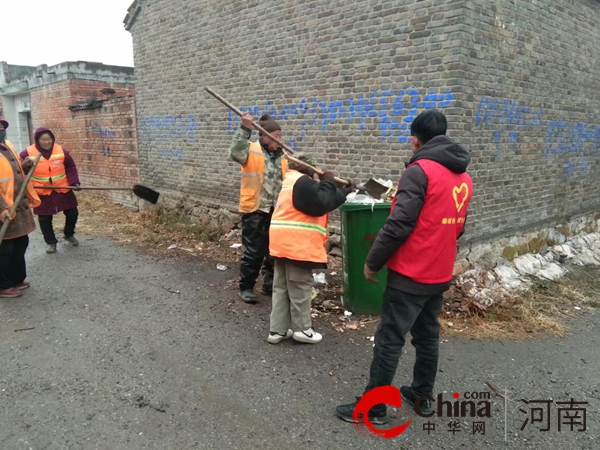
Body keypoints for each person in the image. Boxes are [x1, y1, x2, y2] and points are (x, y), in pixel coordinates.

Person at [336, 109, 473, 424]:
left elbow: (398, 224)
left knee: (390, 339)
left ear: (415, 140)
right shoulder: (464, 177)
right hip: (439, 274)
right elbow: (458, 227)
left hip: (410, 275)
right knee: (427, 337)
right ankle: (422, 396)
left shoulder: (419, 171)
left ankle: (374, 407)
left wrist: (372, 263)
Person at [267, 153, 355, 345]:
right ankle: (302, 329)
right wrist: (329, 181)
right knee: (300, 287)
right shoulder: (303, 182)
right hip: (296, 245)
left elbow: (324, 200)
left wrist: (343, 191)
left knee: (281, 287)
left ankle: (278, 330)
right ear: (310, 170)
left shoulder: (290, 182)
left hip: (281, 243)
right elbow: (320, 203)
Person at [229, 113, 288, 303]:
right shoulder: (251, 149)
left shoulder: (284, 156)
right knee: (254, 252)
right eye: (275, 136)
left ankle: (269, 285)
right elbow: (234, 152)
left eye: (280, 136)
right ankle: (246, 287)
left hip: (276, 211)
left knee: (274, 251)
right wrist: (244, 128)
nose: (279, 140)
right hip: (255, 209)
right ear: (264, 136)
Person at [20, 127, 81, 254]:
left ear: (52, 139)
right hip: (42, 191)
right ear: (37, 140)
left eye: (49, 139)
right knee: (45, 219)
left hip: (62, 189)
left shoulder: (61, 150)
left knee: (72, 213)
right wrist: (26, 165)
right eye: (43, 140)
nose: (46, 142)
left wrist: (74, 181)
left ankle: (69, 234)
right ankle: (51, 242)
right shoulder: (28, 153)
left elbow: (70, 166)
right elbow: (20, 169)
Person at [0, 117, 41, 298]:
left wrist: (25, 165)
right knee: (5, 249)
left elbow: (14, 170)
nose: (1, 130)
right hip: (5, 210)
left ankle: (16, 278)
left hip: (19, 207)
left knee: (20, 244)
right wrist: (1, 207)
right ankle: (3, 284)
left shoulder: (7, 145)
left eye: (2, 127)